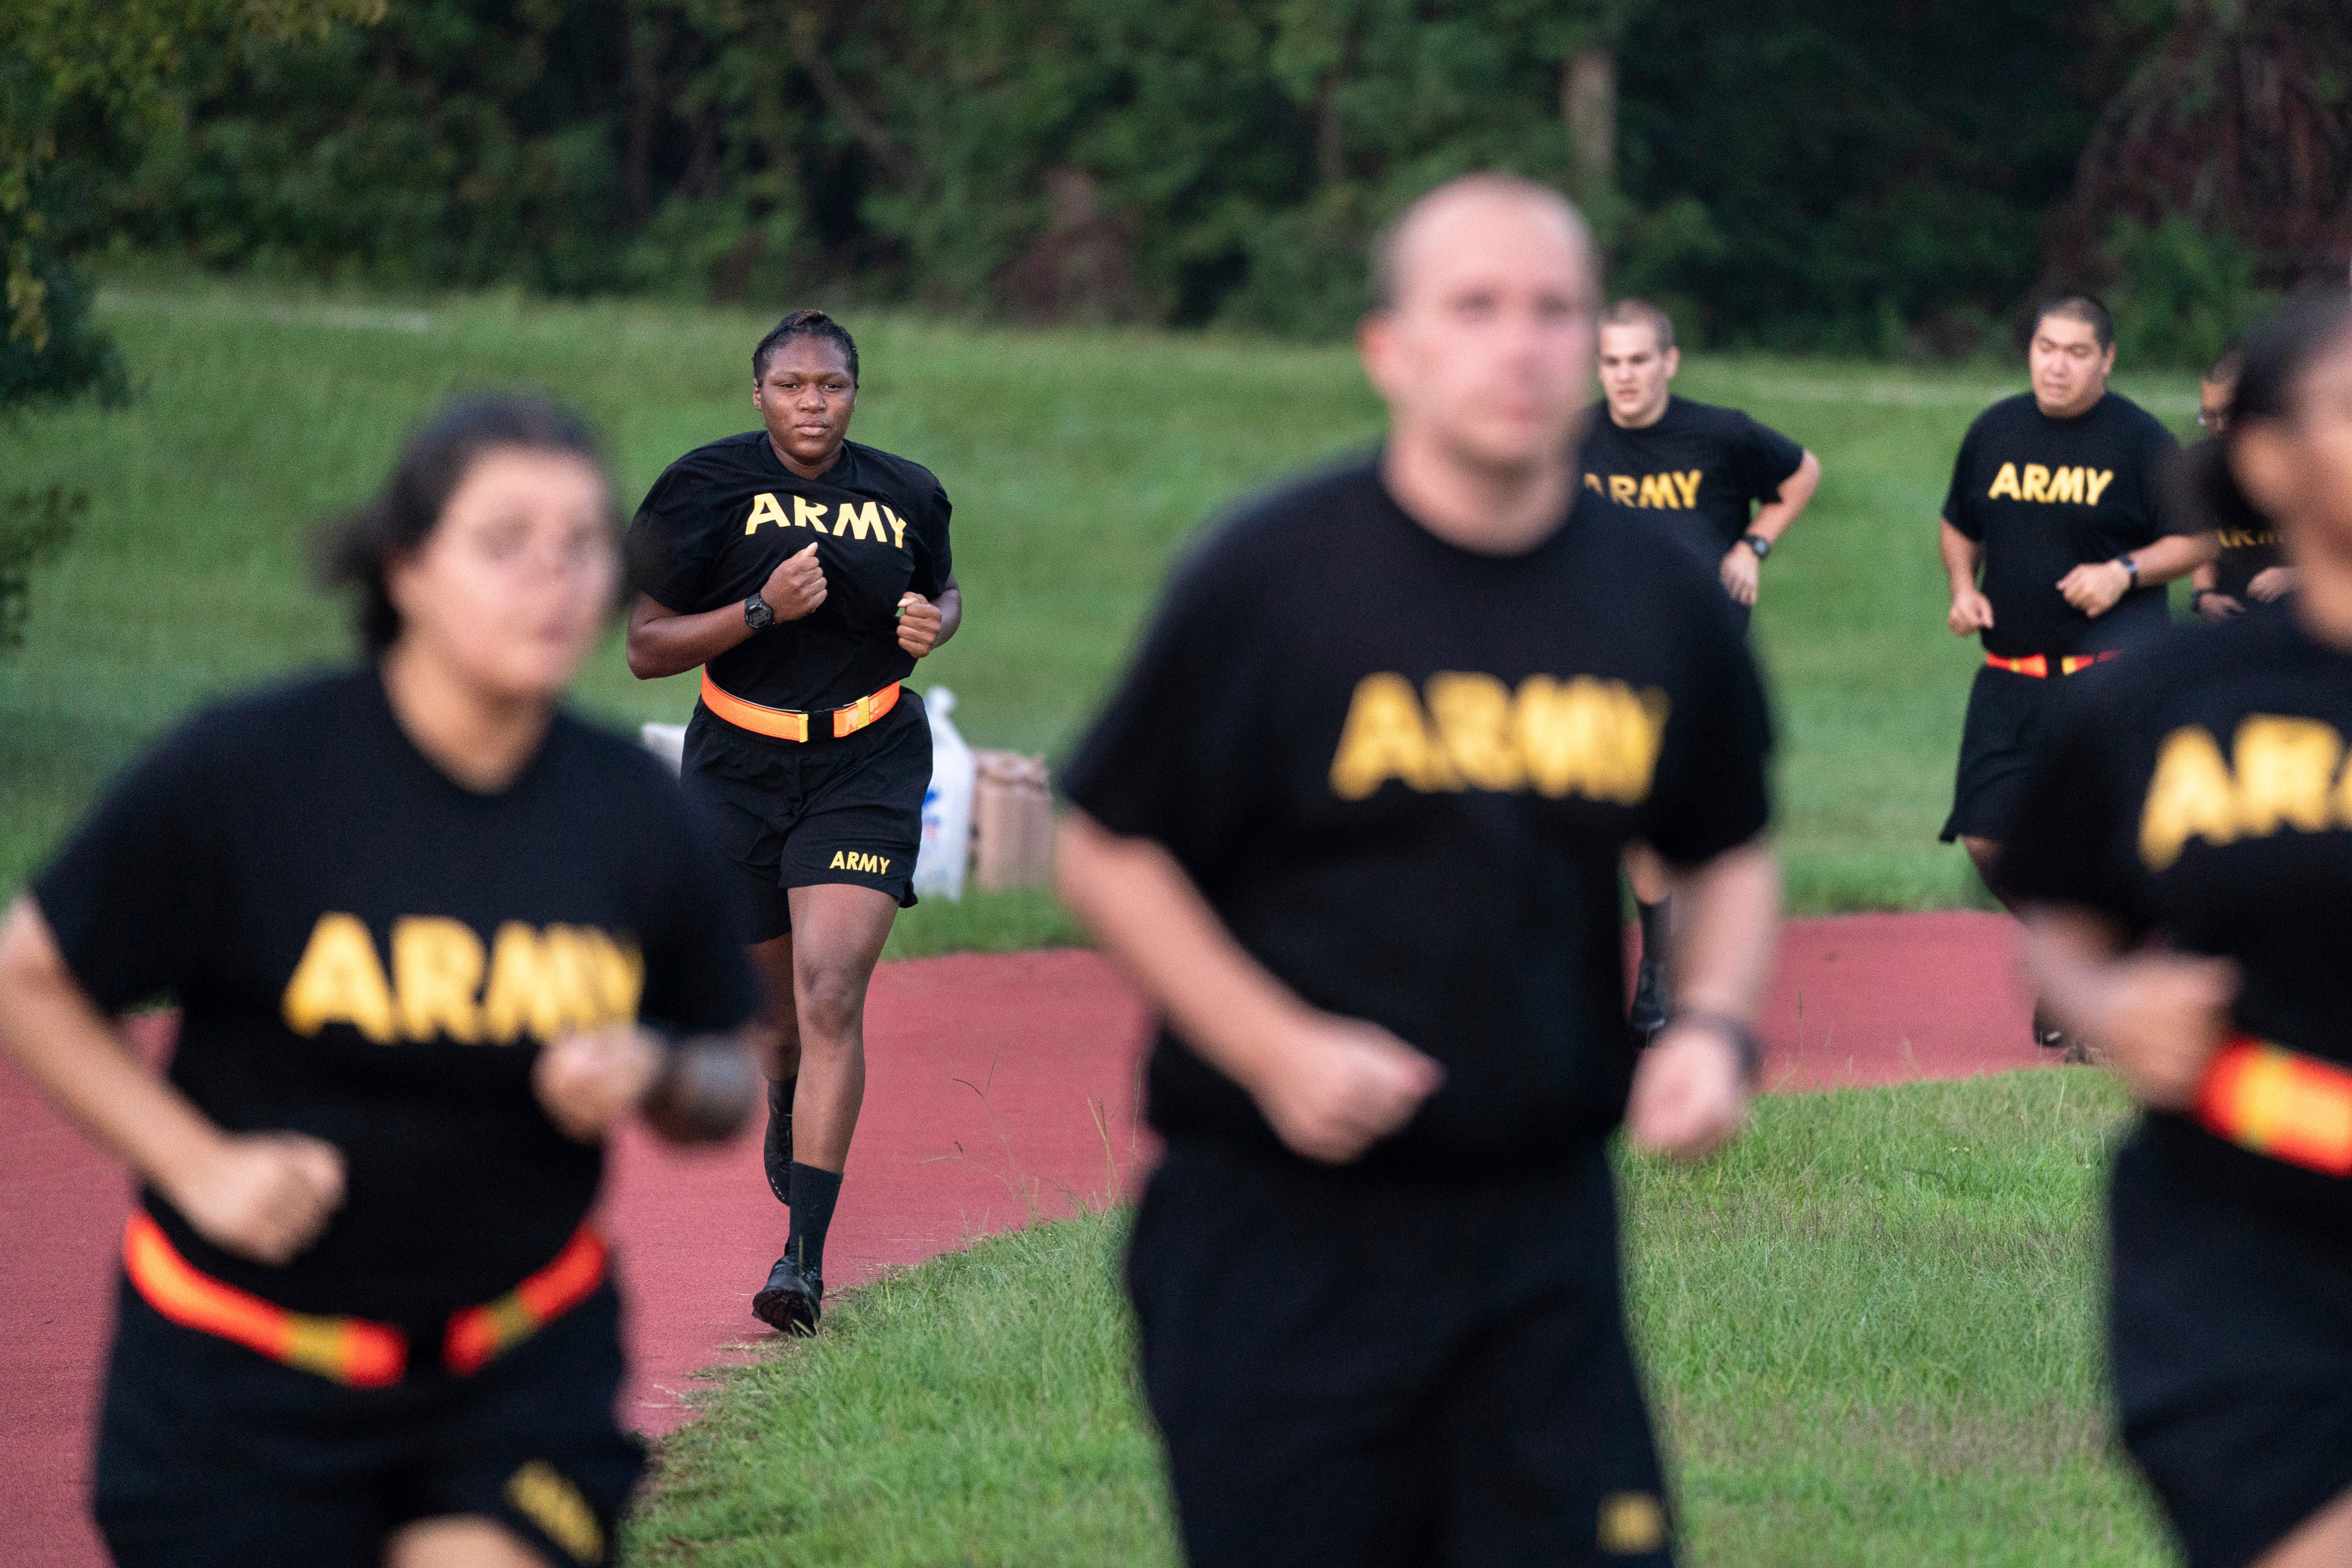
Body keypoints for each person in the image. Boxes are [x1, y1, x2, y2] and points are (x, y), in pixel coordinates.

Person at [1055, 172, 1780, 1567]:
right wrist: (1272, 1048)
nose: (1520, 344)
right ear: (1389, 349)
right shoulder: (1272, 579)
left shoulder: (1651, 598)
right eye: (1475, 307)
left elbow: (1728, 843)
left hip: (1535, 1232)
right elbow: (1106, 841)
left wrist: (1714, 1025)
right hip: (1278, 1232)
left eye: (1553, 311)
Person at [0, 394, 762, 1568]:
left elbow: (727, 1075)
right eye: (504, 542)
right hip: (242, 1382)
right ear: (404, 567)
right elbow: (32, 976)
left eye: (581, 544)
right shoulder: (252, 775)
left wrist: (657, 1068)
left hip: (514, 1369)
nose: (552, 578)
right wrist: (198, 1165)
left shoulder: (638, 812)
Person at [1999, 289, 2352, 1568]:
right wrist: (2105, 1006)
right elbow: (2064, 925)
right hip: (2240, 1254)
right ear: (2268, 460)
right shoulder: (2161, 704)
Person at [624, 308, 961, 1336]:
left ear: (854, 395)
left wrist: (932, 624)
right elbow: (644, 647)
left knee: (830, 992)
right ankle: (783, 1084)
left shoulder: (904, 491)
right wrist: (762, 609)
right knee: (775, 1018)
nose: (813, 404)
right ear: (758, 394)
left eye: (832, 387)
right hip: (735, 764)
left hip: (866, 759)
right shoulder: (701, 488)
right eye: (792, 387)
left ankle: (802, 1264)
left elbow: (941, 589)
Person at [1935, 293, 2212, 1053]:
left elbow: (2197, 540)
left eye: (2075, 352)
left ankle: (2092, 992)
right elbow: (1958, 523)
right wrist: (1963, 588)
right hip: (2009, 674)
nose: (2055, 365)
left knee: (2113, 842)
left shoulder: (2139, 442)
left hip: (2106, 679)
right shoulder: (1995, 430)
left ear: (2106, 359)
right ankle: (2089, 969)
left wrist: (2124, 571)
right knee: (1986, 837)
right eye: (2045, 348)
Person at [1579, 298, 1821, 1038]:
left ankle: (1691, 982)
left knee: (1695, 828)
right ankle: (1656, 973)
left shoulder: (1719, 433)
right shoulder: (1571, 437)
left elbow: (1801, 472)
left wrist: (1754, 545)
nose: (1625, 377)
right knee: (1629, 826)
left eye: (1638, 361)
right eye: (1612, 363)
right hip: (1604, 655)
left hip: (1701, 659)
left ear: (1668, 362)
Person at [2183, 344, 2299, 621]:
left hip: (2303, 621)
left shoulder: (2309, 464)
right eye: (2209, 416)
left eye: (2228, 414)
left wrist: (2295, 576)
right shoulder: (2202, 464)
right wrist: (2205, 596)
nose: (2220, 428)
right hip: (2232, 618)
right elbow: (2201, 536)